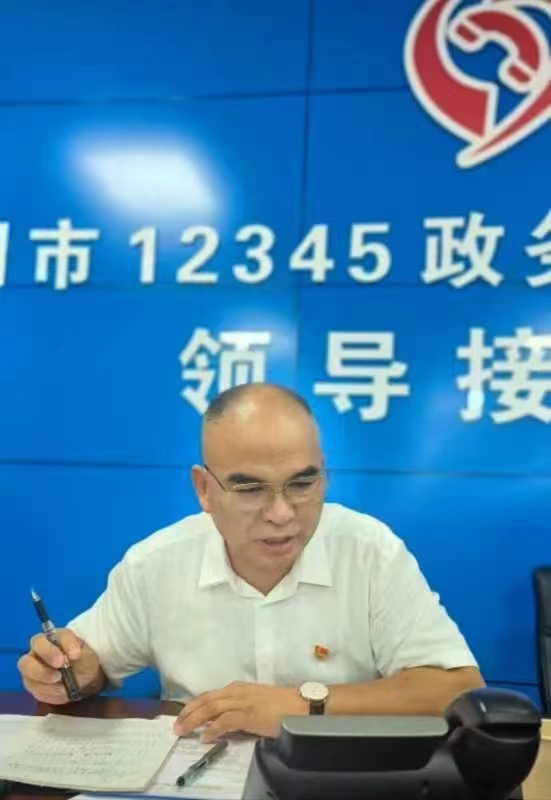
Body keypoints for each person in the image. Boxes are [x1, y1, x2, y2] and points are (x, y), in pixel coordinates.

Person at [18, 383, 484, 742]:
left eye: (302, 484)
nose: (281, 514)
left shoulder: (369, 552)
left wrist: (302, 706)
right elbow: (89, 667)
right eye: (250, 488)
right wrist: (70, 675)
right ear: (204, 489)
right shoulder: (156, 564)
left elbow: (457, 689)